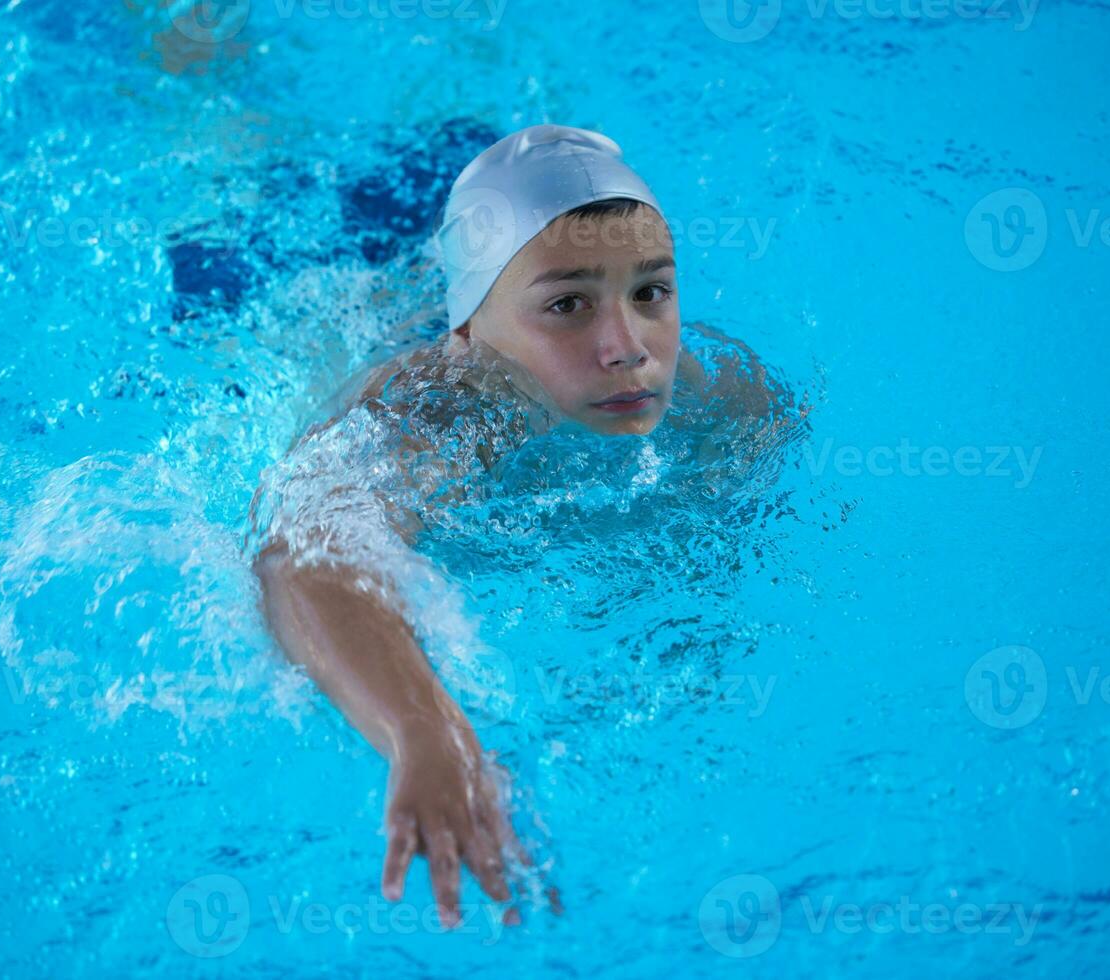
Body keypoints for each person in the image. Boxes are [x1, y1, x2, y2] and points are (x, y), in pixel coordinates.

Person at [250, 125, 789, 930]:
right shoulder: (435, 412)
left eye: (650, 292)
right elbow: (302, 557)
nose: (627, 349)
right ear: (468, 331)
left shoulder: (734, 405)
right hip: (284, 260)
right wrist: (421, 730)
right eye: (568, 306)